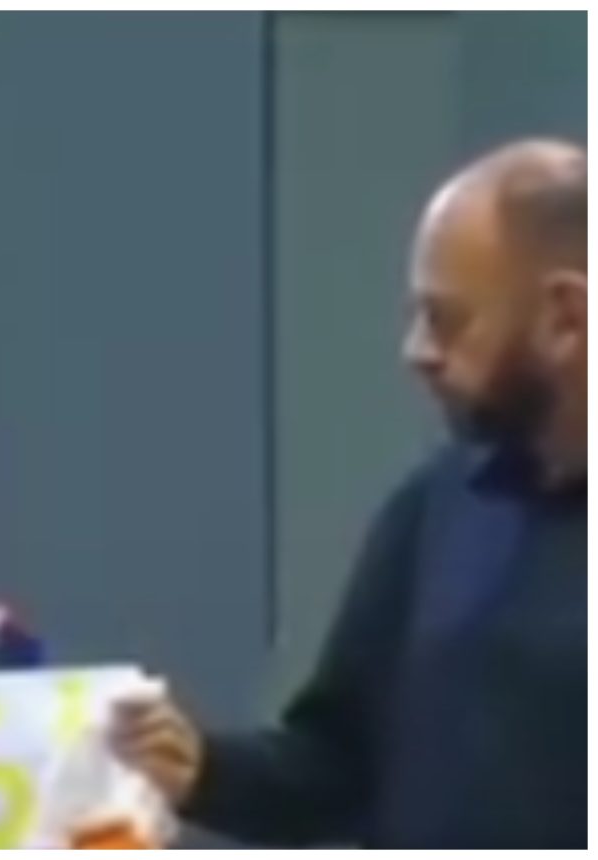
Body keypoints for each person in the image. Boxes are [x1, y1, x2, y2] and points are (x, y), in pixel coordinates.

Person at [111, 139, 587, 849]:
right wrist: (202, 769)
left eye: (447, 320)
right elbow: (337, 765)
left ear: (565, 317)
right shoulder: (441, 507)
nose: (416, 351)